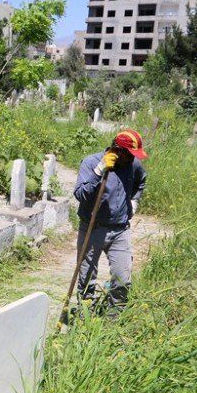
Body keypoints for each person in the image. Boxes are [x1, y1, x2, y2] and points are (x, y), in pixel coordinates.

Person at [72, 128, 148, 315]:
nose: (133, 159)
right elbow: (80, 194)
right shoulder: (91, 163)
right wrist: (99, 171)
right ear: (117, 149)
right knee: (86, 278)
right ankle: (84, 317)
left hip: (120, 230)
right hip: (92, 228)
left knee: (123, 279)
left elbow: (141, 181)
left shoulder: (133, 166)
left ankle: (115, 319)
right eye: (130, 154)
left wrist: (134, 201)